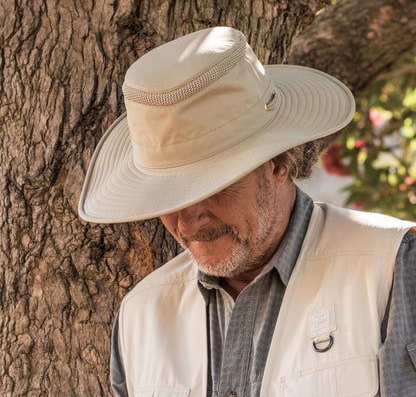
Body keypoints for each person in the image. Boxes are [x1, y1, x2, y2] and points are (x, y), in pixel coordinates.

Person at [78, 27, 416, 397]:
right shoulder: (139, 316)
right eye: (167, 198)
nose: (188, 222)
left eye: (211, 186)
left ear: (279, 161)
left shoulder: (391, 267)